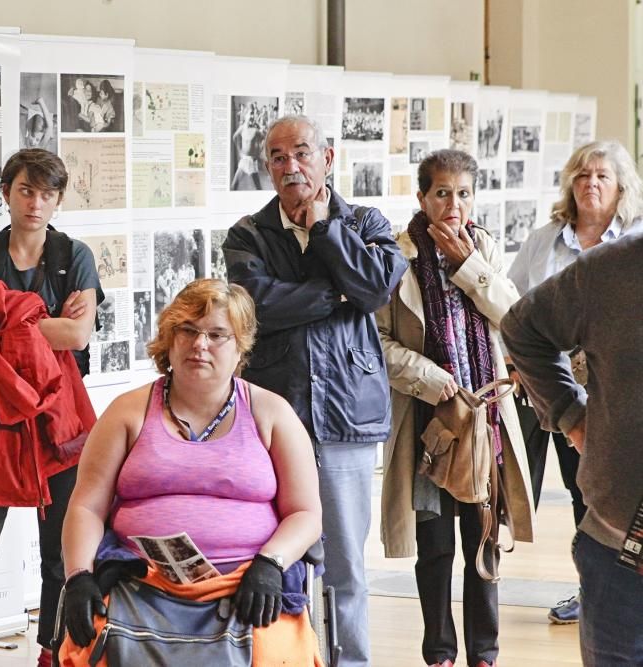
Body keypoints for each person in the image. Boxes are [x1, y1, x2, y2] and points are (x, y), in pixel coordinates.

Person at [58, 278, 323, 665]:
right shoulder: (126, 412)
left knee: (275, 653)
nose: (200, 345)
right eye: (188, 331)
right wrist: (78, 575)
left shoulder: (272, 413)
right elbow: (86, 506)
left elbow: (306, 513)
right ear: (170, 338)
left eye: (217, 335)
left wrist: (271, 562)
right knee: (96, 647)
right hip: (142, 583)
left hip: (247, 585)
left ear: (240, 347)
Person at [222, 113, 406, 667]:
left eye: (301, 153)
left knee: (347, 561)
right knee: (285, 556)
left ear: (328, 159)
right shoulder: (247, 234)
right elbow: (254, 307)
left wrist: (327, 231)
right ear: (267, 169)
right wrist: (335, 293)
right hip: (276, 419)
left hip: (347, 412)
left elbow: (374, 289)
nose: (290, 166)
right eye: (278, 158)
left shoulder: (366, 221)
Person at [0, 149, 103, 667]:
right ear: (6, 192)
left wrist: (0, 323)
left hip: (59, 420)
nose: (36, 203)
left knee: (60, 557)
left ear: (58, 199)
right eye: (26, 190)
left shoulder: (74, 255)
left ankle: (53, 654)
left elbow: (78, 332)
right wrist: (37, 327)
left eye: (48, 193)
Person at [376, 149, 535, 667]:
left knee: (483, 538)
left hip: (483, 422)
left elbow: (513, 316)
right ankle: (440, 652)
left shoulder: (484, 246)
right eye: (442, 192)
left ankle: (484, 654)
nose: (453, 204)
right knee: (436, 543)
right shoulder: (397, 255)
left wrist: (469, 267)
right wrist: (429, 377)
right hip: (430, 423)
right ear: (421, 198)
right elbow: (377, 342)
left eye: (463, 193)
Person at [506, 139, 643, 625]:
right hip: (557, 391)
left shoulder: (630, 244)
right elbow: (516, 306)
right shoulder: (547, 240)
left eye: (602, 176)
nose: (590, 185)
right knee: (581, 493)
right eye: (582, 175)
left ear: (621, 186)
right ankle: (591, 588)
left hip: (611, 396)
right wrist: (569, 413)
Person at [231, 105, 265, 190]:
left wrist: (258, 153)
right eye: (250, 114)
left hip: (252, 161)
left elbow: (264, 139)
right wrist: (239, 152)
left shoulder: (256, 130)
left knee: (258, 187)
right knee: (234, 185)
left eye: (253, 114)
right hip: (244, 161)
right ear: (245, 115)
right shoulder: (242, 128)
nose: (252, 116)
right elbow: (234, 137)